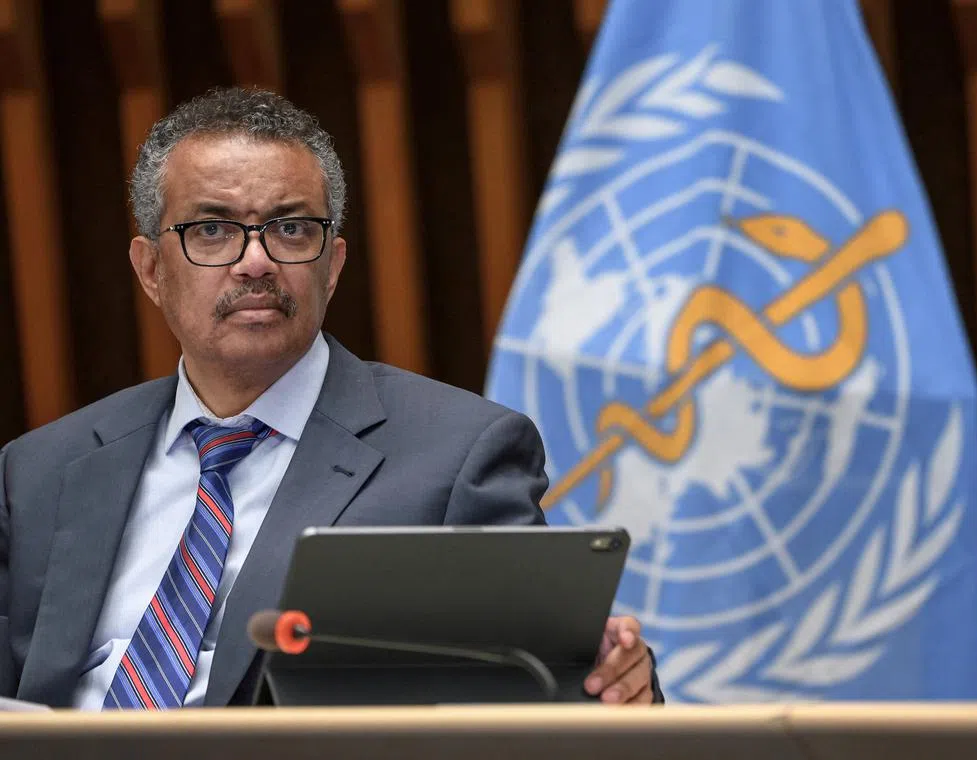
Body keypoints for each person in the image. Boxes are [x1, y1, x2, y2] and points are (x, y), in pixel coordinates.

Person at [0, 87, 661, 709]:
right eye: (212, 231)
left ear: (333, 265)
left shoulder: (457, 456)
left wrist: (617, 678)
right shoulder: (40, 472)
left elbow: (548, 684)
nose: (254, 261)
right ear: (149, 270)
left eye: (290, 229)